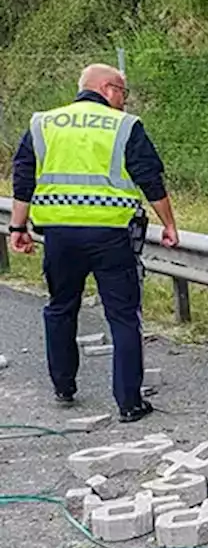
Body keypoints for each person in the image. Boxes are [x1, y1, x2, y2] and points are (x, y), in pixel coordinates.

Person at [7, 64, 180, 422]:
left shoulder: (44, 123)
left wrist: (17, 228)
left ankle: (63, 386)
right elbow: (150, 178)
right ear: (109, 89)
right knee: (122, 316)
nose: (124, 101)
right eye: (123, 93)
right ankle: (129, 404)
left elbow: (24, 179)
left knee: (60, 307)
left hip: (59, 236)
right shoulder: (125, 126)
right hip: (110, 235)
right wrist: (169, 224)